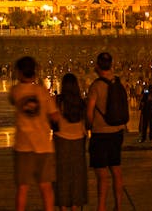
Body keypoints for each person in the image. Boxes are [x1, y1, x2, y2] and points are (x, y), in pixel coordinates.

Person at [12, 55, 59, 211]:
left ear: (19, 72)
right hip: (43, 145)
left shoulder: (16, 91)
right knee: (45, 187)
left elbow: (13, 99)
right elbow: (54, 115)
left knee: (23, 188)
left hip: (23, 145)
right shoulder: (42, 92)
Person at [86, 51, 126, 211]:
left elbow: (89, 111)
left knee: (102, 175)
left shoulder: (96, 86)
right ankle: (118, 206)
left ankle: (101, 207)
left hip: (100, 133)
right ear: (112, 65)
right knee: (116, 170)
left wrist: (88, 126)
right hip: (117, 132)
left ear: (97, 66)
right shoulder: (118, 82)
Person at [54, 72, 89, 211]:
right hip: (78, 140)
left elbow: (49, 118)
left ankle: (63, 207)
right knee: (77, 175)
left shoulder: (57, 100)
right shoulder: (81, 102)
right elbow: (87, 121)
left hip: (61, 139)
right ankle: (75, 206)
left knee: (62, 175)